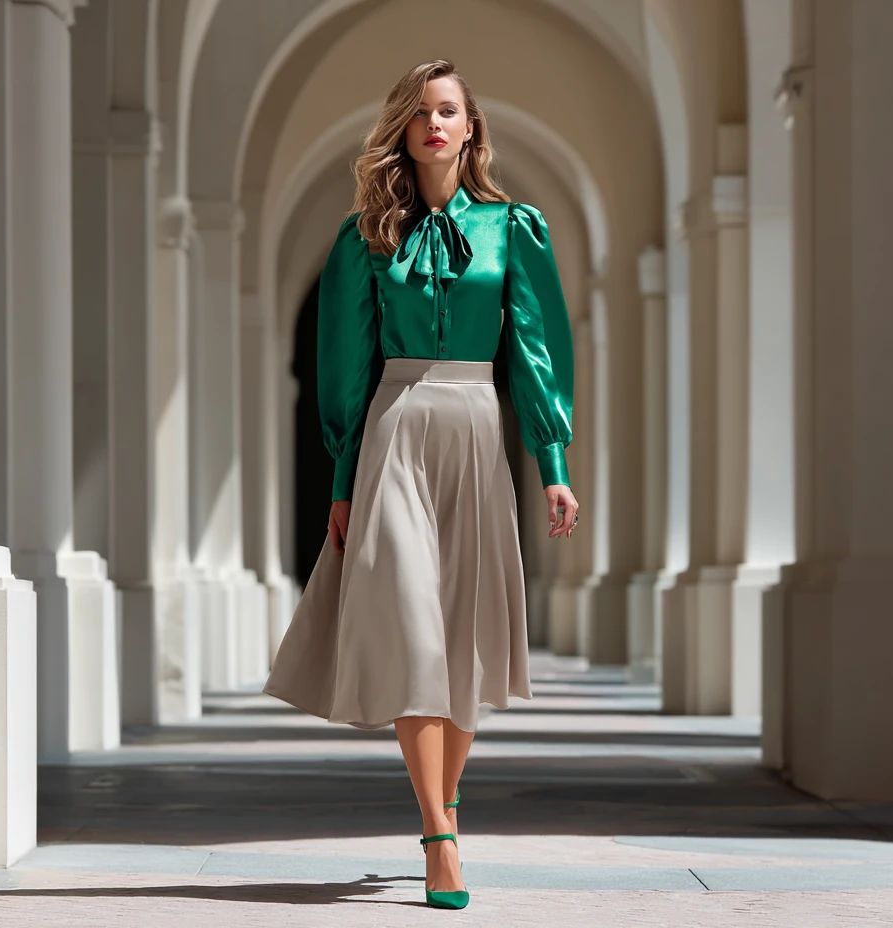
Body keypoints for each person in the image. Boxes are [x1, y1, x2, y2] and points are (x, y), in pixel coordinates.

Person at [262, 58, 580, 911]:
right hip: (395, 430)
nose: (434, 124)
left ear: (471, 129)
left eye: (448, 111)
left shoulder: (515, 229)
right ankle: (440, 836)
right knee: (413, 634)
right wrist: (342, 480)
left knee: (463, 643)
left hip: (477, 429)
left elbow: (536, 352)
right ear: (402, 130)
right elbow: (347, 366)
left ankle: (446, 802)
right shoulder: (365, 236)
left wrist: (553, 465)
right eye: (420, 113)